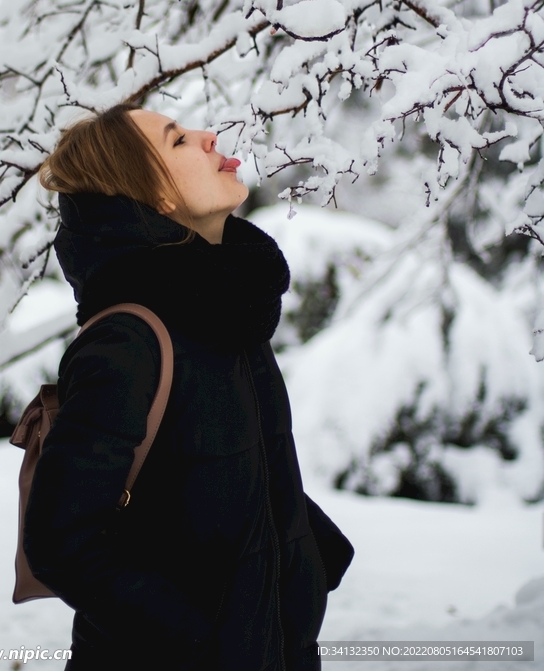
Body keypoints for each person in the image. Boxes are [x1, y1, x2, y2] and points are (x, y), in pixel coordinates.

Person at [23, 104, 330, 671]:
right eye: (179, 140)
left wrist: (307, 557)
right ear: (156, 197)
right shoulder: (129, 340)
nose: (209, 136)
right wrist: (195, 635)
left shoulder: (226, 313)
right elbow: (61, 543)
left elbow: (220, 476)